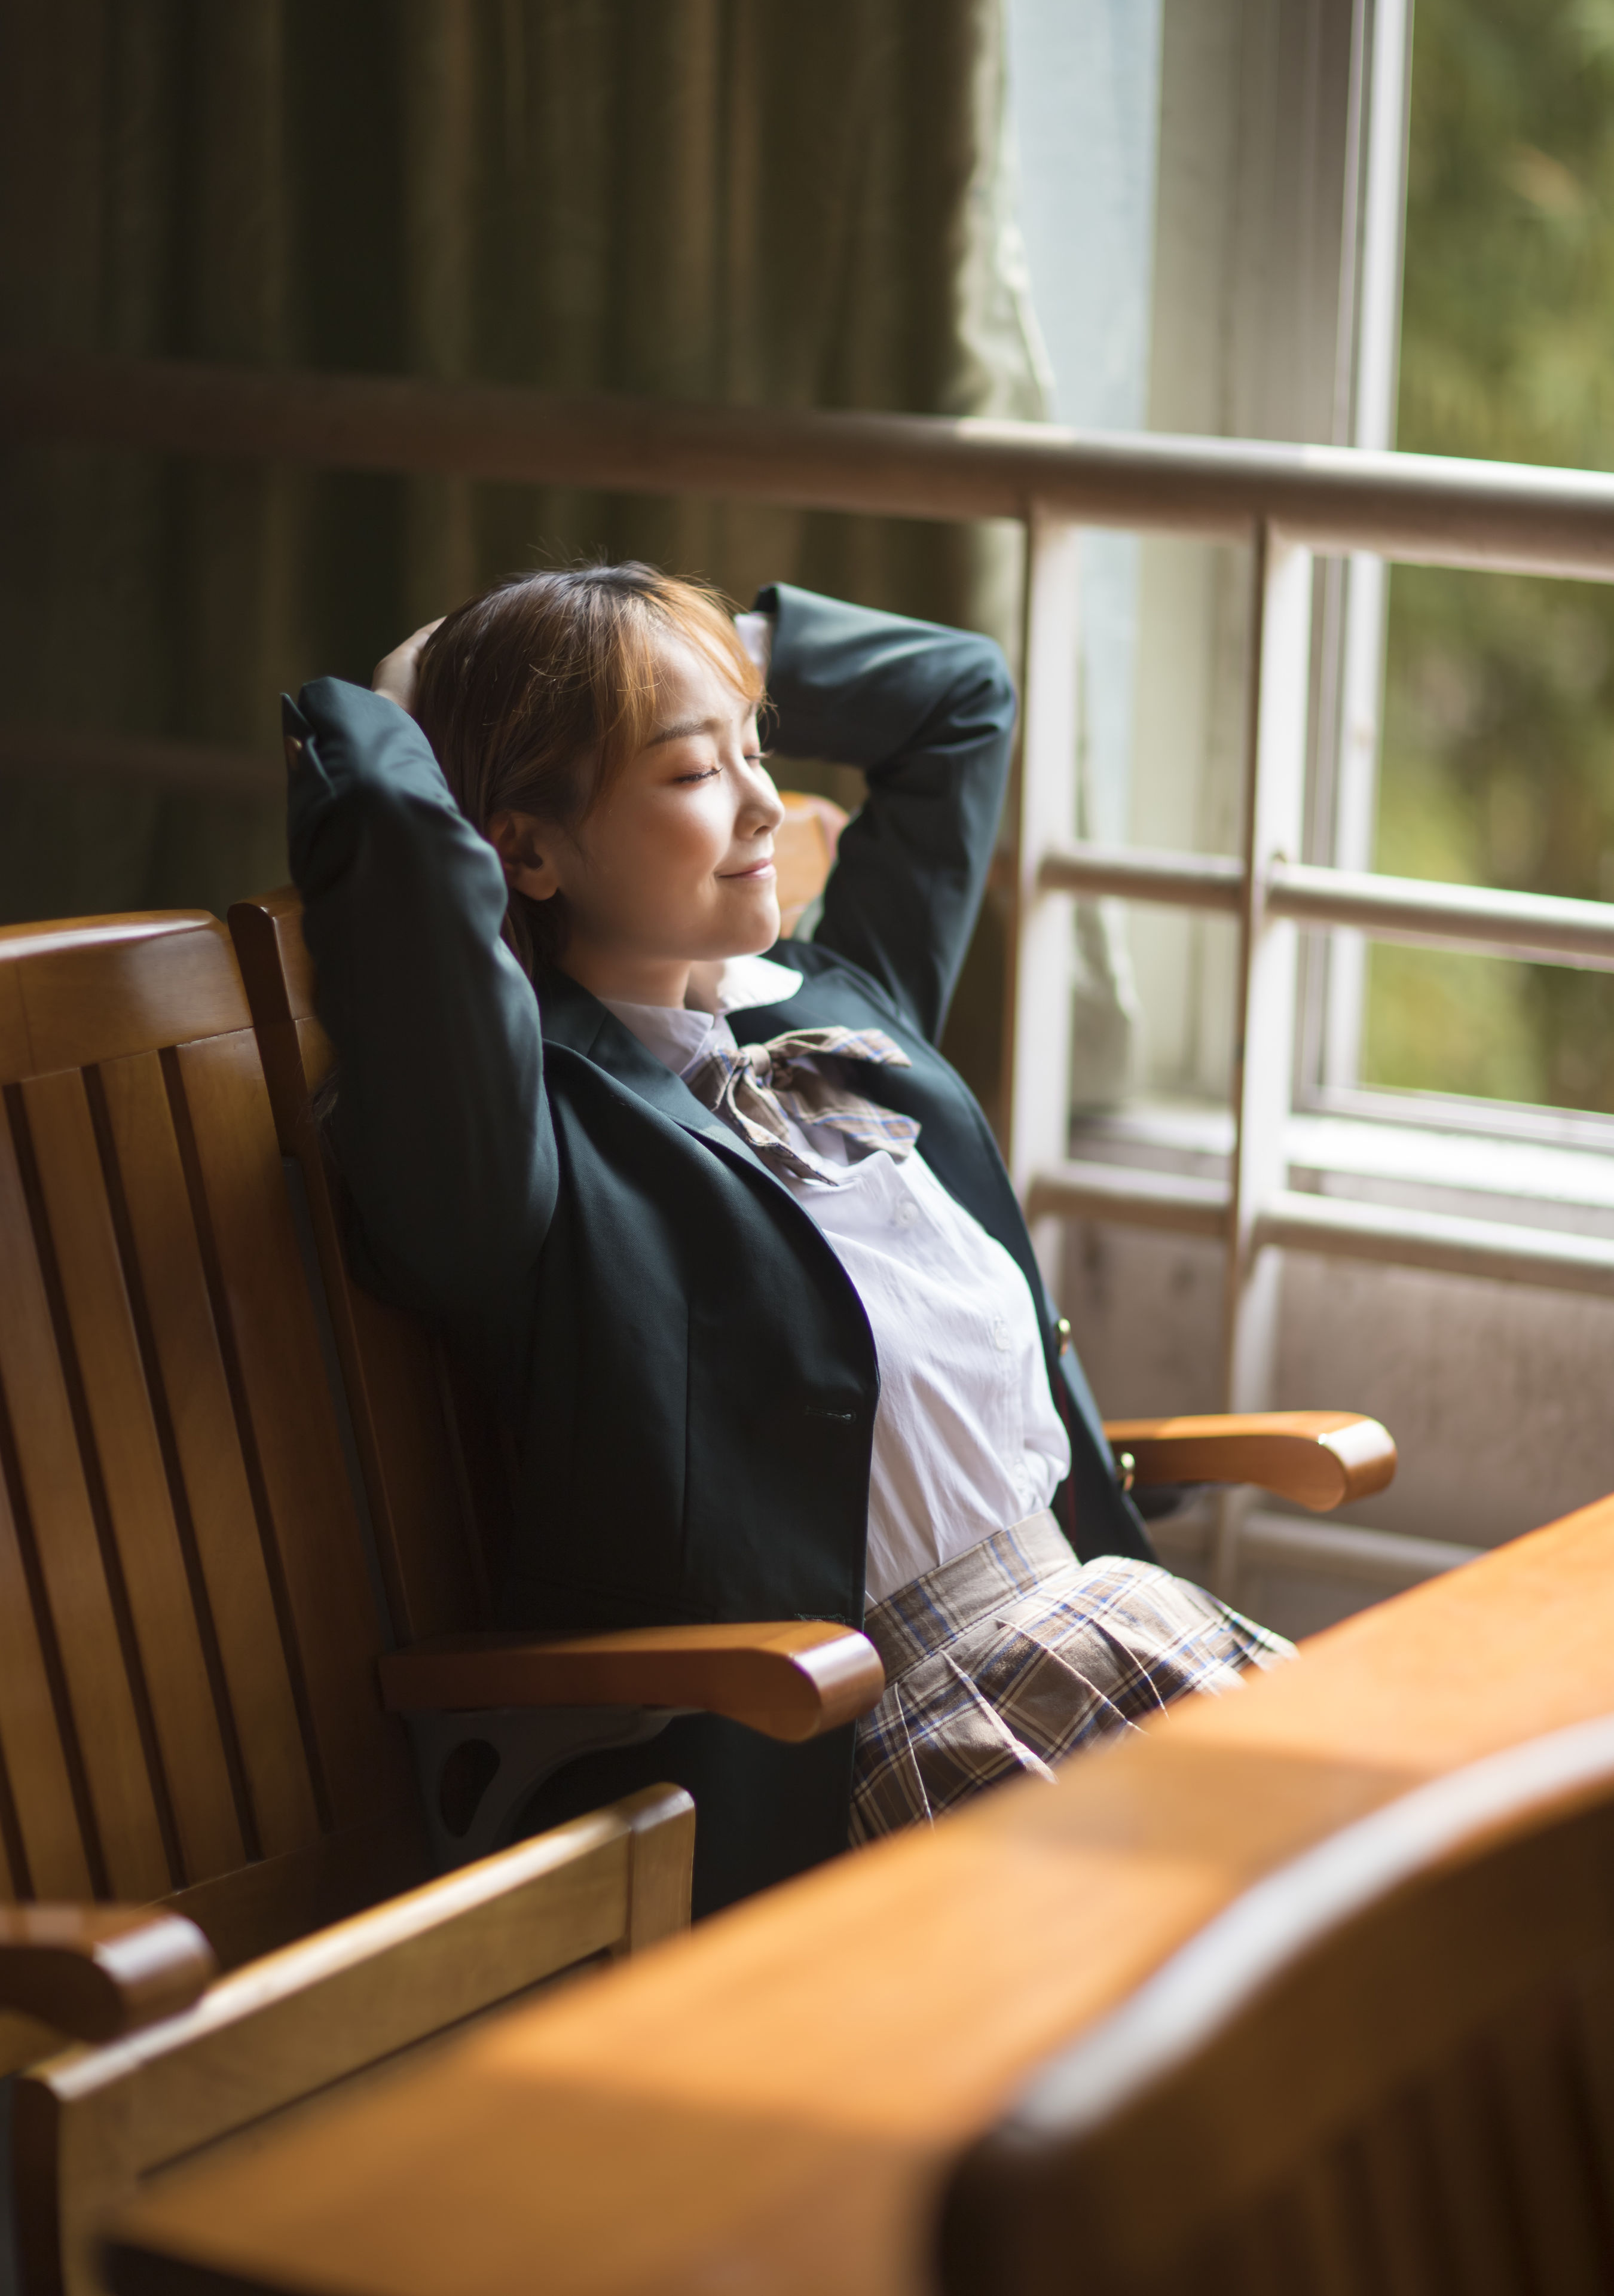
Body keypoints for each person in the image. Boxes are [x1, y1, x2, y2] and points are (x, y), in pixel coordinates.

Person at [285, 566, 1289, 1914]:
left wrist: (681, 646)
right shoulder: (531, 1147)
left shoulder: (825, 1005)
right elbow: (410, 887)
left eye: (756, 745)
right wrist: (408, 711)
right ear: (522, 850)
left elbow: (960, 701)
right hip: (904, 1750)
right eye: (696, 771)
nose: (764, 802)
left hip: (1120, 1635)